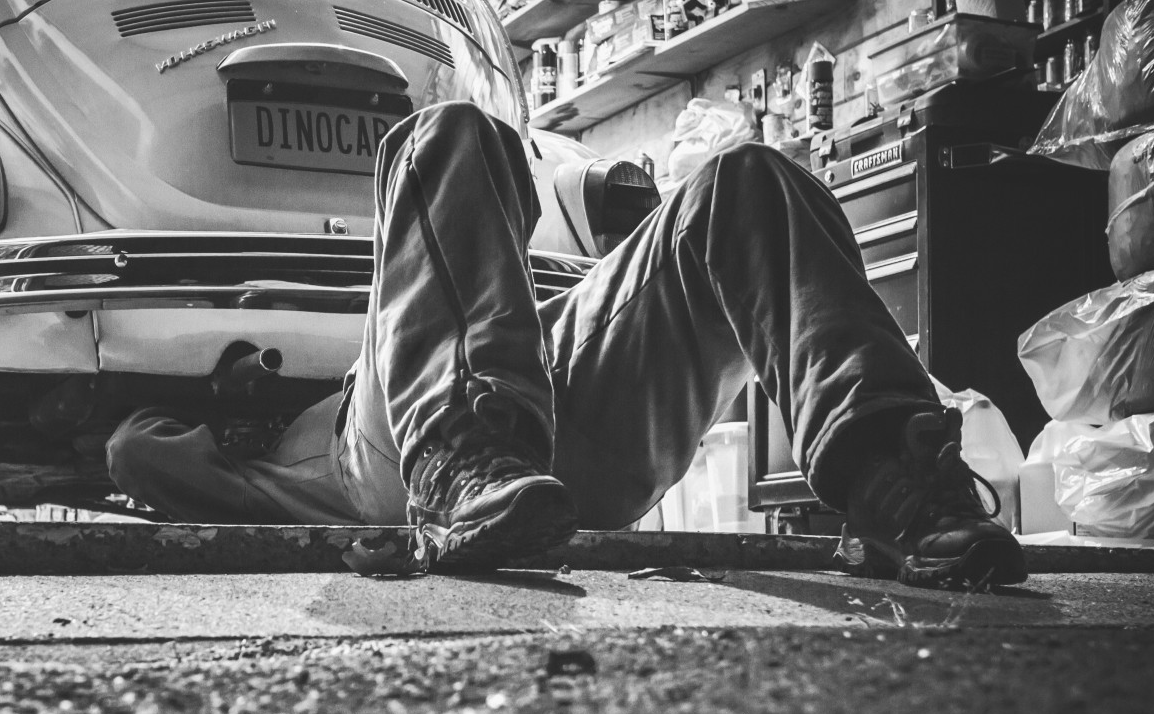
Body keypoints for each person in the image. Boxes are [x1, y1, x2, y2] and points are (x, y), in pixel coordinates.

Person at [106, 101, 1025, 591]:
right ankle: (464, 466)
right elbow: (132, 445)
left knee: (747, 182)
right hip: (411, 467)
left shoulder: (426, 325)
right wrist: (231, 405)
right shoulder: (256, 448)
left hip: (553, 426)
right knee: (448, 133)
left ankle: (896, 482)